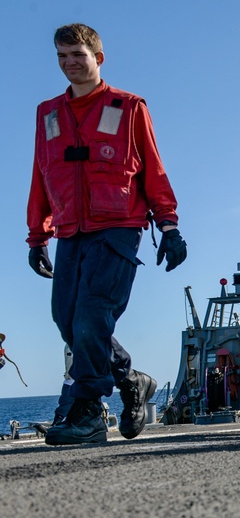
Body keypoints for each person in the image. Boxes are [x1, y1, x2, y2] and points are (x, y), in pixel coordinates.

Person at [26, 24, 186, 446]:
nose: (69, 63)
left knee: (92, 317)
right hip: (69, 232)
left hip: (118, 227)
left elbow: (152, 166)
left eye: (77, 54)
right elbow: (41, 176)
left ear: (99, 57)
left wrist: (169, 226)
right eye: (62, 57)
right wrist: (37, 236)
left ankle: (89, 412)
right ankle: (132, 381)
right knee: (67, 321)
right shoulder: (49, 113)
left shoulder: (129, 106)